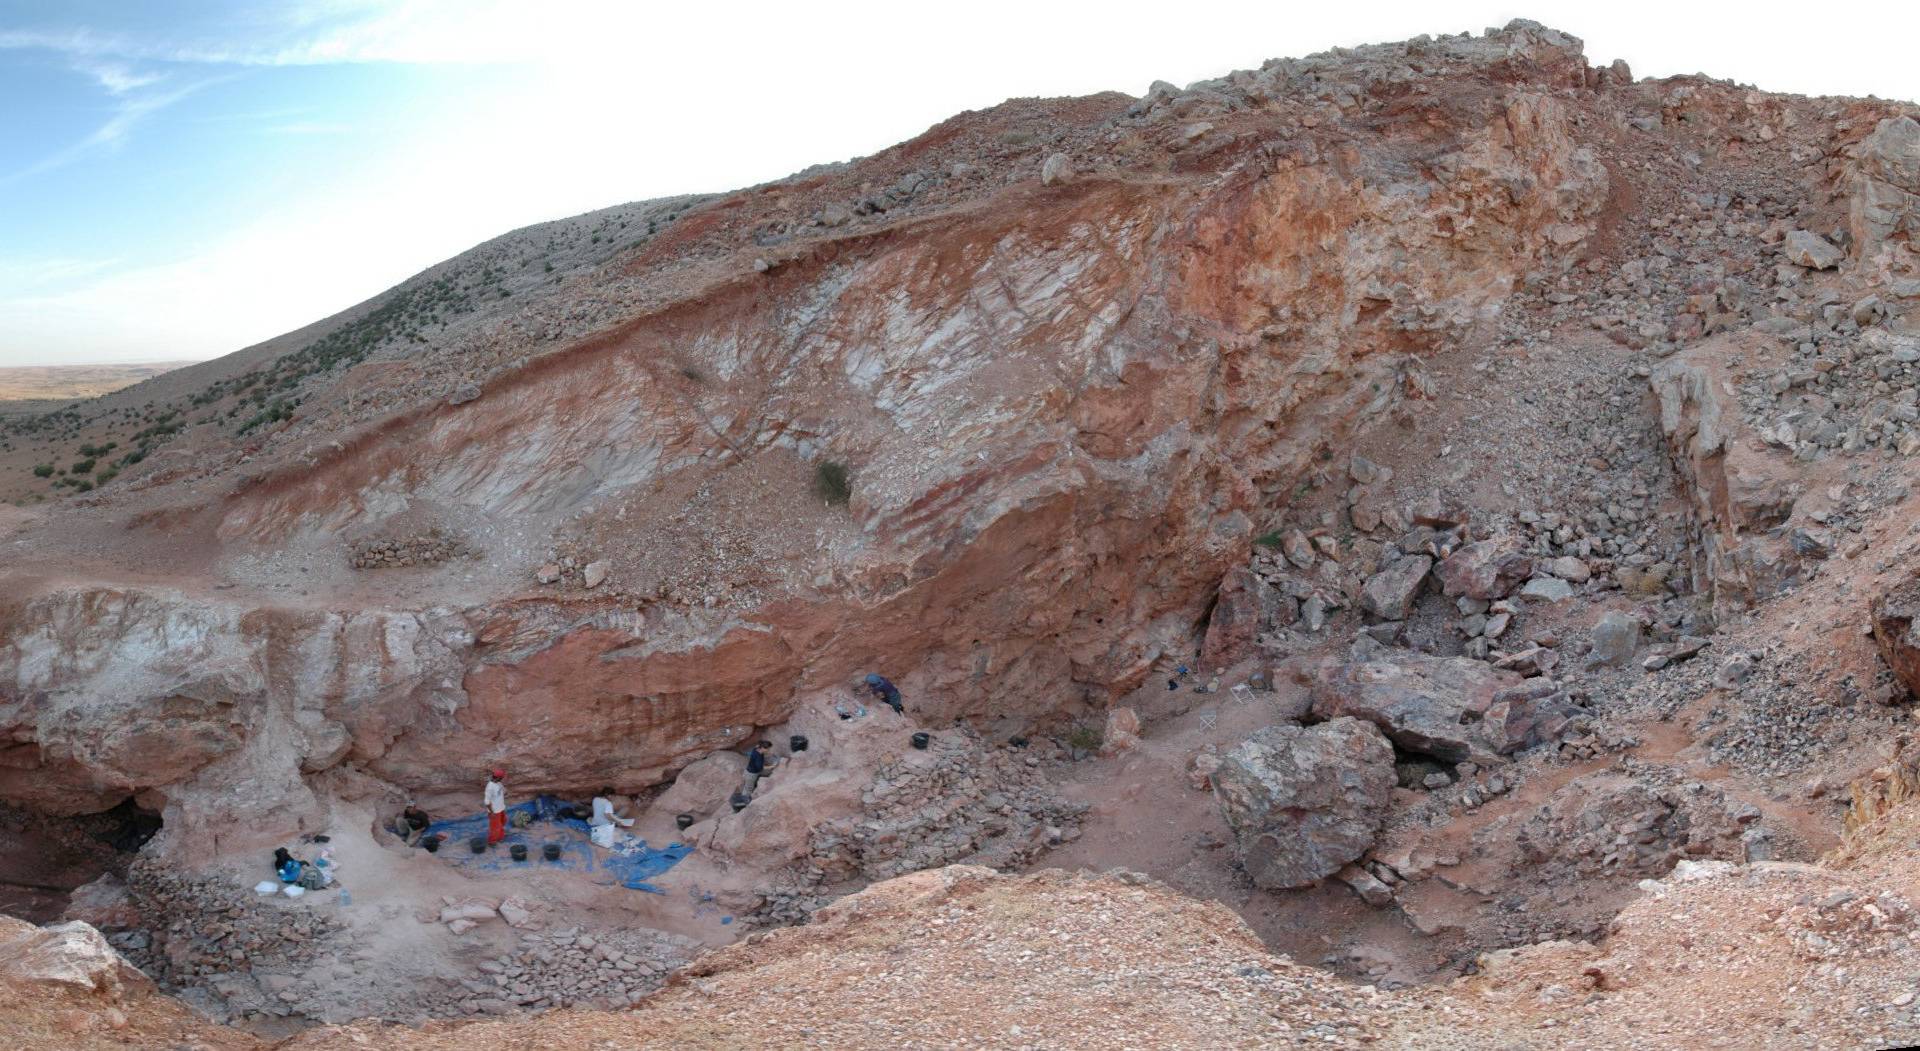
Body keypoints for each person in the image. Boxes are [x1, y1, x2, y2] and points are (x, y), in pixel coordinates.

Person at [484, 768, 507, 846]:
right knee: (495, 827)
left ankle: (500, 836)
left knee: (503, 821)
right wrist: (491, 812)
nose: (502, 779)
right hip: (495, 811)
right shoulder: (490, 787)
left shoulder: (498, 783)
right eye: (502, 778)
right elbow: (487, 802)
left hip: (501, 808)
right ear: (498, 778)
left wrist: (504, 791)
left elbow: (504, 792)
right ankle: (492, 841)